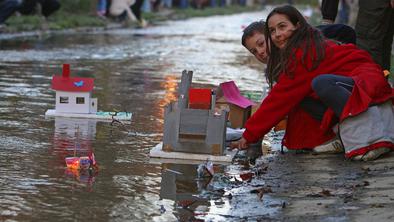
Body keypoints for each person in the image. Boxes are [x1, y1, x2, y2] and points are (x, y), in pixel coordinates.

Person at [235, 5, 394, 161]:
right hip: (348, 87)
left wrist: (250, 135)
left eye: (261, 43)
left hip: (367, 86)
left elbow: (278, 100)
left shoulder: (303, 51)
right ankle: (340, 134)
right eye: (254, 51)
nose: (260, 52)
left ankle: (373, 139)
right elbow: (287, 99)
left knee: (321, 84)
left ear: (297, 26)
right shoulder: (285, 58)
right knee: (302, 96)